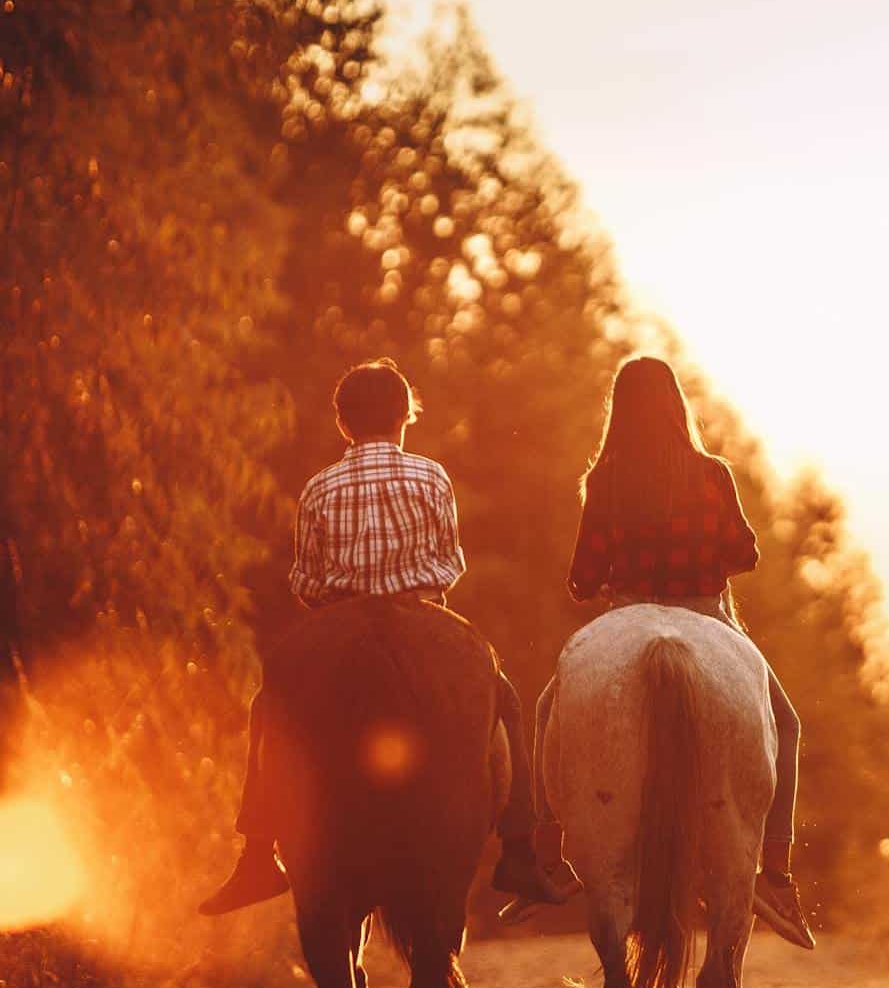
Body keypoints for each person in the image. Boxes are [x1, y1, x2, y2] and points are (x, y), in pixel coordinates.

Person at [198, 358, 580, 916]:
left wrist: (337, 603)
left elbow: (304, 578)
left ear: (342, 425)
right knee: (508, 701)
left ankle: (257, 854)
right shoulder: (430, 476)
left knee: (268, 705)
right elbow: (449, 564)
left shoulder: (318, 488)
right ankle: (520, 850)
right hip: (419, 610)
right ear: (406, 416)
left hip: (339, 615)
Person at [513, 355, 815, 949]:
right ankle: (776, 875)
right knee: (788, 723)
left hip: (624, 610)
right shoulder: (712, 474)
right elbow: (745, 553)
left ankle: (545, 858)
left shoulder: (605, 480)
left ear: (618, 412)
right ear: (678, 405)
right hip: (707, 612)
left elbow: (582, 575)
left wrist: (610, 583)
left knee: (547, 711)